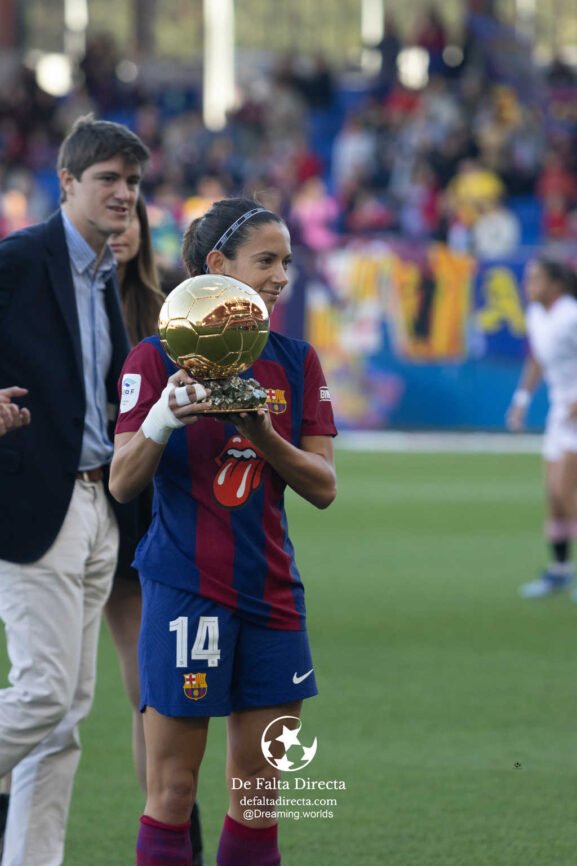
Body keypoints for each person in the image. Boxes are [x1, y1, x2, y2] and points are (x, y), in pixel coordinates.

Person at [109, 197, 337, 866]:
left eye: (286, 262)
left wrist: (261, 431)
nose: (280, 276)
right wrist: (163, 417)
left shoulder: (295, 362)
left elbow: (323, 487)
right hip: (185, 592)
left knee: (259, 795)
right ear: (218, 265)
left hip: (272, 596)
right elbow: (122, 482)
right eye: (265, 260)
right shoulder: (153, 360)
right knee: (173, 789)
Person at [0, 113, 149, 866]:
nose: (124, 193)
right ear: (66, 182)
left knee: (65, 720)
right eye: (108, 179)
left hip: (97, 506)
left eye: (132, 181)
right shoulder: (23, 257)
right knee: (43, 696)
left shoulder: (101, 274)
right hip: (38, 504)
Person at [107, 196, 204, 864]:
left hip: (144, 499)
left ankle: (176, 827)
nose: (118, 228)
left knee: (150, 690)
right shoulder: (50, 299)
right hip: (72, 493)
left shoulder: (169, 308)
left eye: (130, 215)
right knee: (50, 691)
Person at [506, 257, 577, 599]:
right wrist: (521, 400)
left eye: (536, 278)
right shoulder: (537, 315)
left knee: (567, 491)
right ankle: (560, 571)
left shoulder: (571, 315)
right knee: (553, 495)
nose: (528, 284)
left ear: (556, 284)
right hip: (560, 411)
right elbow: (537, 358)